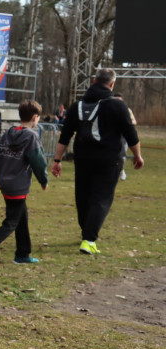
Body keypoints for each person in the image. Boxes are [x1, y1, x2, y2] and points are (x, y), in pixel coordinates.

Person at [51, 68, 144, 255]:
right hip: (109, 160)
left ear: (94, 81)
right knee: (101, 198)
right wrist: (137, 155)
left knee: (83, 196)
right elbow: (131, 134)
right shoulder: (118, 106)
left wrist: (57, 160)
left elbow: (65, 136)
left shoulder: (77, 106)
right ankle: (89, 239)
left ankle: (85, 231)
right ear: (112, 84)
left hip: (83, 159)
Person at [0, 99, 48, 267]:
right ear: (35, 118)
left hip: (5, 183)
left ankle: (22, 254)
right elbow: (39, 161)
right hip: (18, 185)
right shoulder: (31, 137)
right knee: (11, 222)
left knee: (21, 217)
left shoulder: (8, 133)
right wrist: (43, 180)